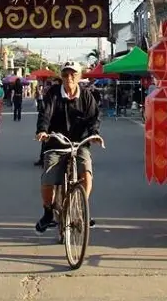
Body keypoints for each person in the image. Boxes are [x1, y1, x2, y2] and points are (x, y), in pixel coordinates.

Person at [35, 61, 101, 233]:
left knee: (86, 174)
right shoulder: (53, 94)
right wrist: (42, 130)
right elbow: (45, 114)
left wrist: (94, 133)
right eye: (65, 74)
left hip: (79, 143)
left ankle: (81, 208)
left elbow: (93, 117)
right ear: (61, 77)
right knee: (48, 177)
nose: (69, 78)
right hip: (56, 143)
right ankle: (48, 212)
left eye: (73, 74)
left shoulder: (86, 96)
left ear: (79, 77)